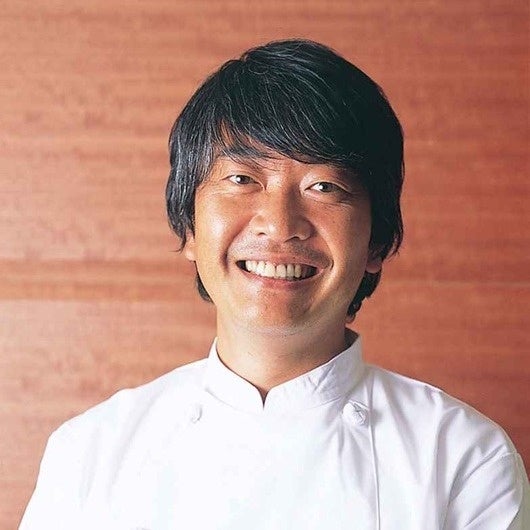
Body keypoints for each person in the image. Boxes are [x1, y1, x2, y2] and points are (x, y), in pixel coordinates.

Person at [20, 39, 528, 530]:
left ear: (375, 242)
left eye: (324, 186)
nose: (280, 225)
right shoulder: (91, 453)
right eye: (242, 180)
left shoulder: (462, 458)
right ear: (189, 228)